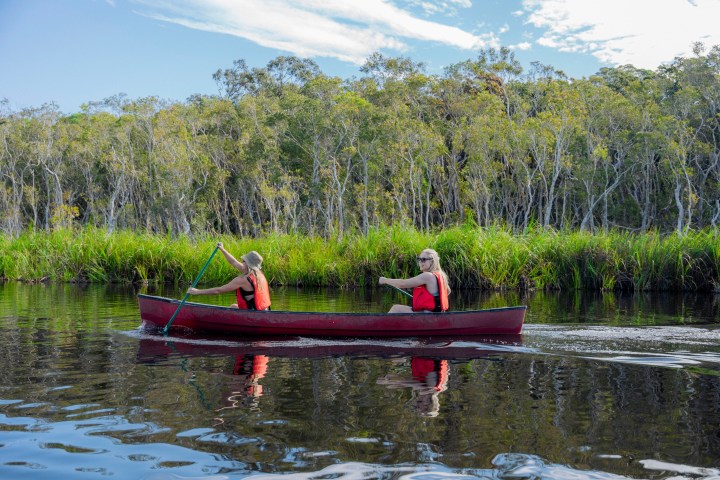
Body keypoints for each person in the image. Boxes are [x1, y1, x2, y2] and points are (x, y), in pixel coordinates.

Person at [187, 243, 271, 310]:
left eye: (243, 261)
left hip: (253, 314)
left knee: (233, 307)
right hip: (263, 310)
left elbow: (218, 290)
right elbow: (233, 262)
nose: (242, 263)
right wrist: (222, 249)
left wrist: (197, 291)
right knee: (233, 306)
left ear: (248, 264)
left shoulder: (242, 280)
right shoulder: (258, 274)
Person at [378, 248, 450, 313]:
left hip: (428, 315)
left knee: (396, 308)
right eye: (419, 259)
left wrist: (385, 280)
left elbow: (403, 284)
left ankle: (381, 327)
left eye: (424, 260)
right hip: (437, 313)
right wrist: (424, 300)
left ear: (432, 261)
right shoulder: (441, 275)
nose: (420, 262)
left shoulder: (428, 276)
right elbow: (448, 291)